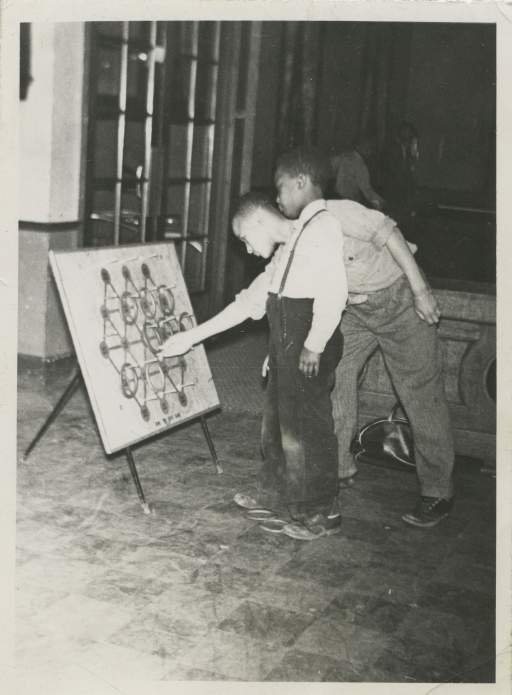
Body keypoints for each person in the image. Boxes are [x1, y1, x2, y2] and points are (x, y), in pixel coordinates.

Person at [159, 148, 348, 541]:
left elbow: (333, 290)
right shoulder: (287, 251)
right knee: (278, 427)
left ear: (261, 219)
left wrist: (312, 344)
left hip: (311, 346)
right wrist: (192, 338)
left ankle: (319, 510)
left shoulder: (321, 226)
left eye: (245, 238)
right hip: (289, 347)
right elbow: (251, 304)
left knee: (307, 430)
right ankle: (282, 497)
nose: (245, 249)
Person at [326, 198, 455, 529]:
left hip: (399, 298)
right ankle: (336, 469)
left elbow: (391, 234)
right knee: (333, 372)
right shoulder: (299, 230)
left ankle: (437, 492)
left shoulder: (339, 211)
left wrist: (421, 291)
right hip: (355, 309)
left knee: (419, 391)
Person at [330, 134, 385, 210]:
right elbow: (367, 190)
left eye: (370, 148)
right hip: (350, 202)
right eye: (367, 147)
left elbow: (331, 167)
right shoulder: (360, 165)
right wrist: (381, 202)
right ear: (359, 147)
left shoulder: (344, 156)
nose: (370, 151)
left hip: (335, 198)